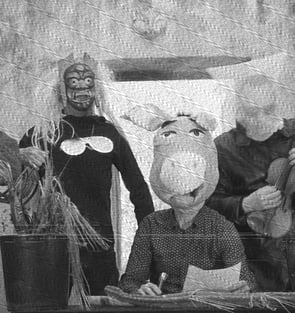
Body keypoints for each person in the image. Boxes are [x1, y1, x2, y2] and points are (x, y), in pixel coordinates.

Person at [19, 53, 154, 295]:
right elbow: (20, 192)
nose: (82, 86)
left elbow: (139, 189)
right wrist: (23, 157)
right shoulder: (41, 134)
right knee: (50, 308)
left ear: (97, 87)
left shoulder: (110, 133)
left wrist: (150, 239)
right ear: (61, 88)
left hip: (100, 243)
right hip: (56, 243)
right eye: (73, 81)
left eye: (88, 81)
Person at [119, 108, 256, 295]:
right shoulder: (151, 225)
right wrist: (139, 289)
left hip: (206, 312)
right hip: (163, 312)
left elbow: (246, 280)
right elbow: (131, 280)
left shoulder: (222, 228)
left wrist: (243, 287)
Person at [207, 75, 295, 291]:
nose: (262, 118)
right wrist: (246, 203)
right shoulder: (223, 147)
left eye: (269, 109)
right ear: (239, 110)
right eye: (252, 112)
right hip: (255, 261)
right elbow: (208, 204)